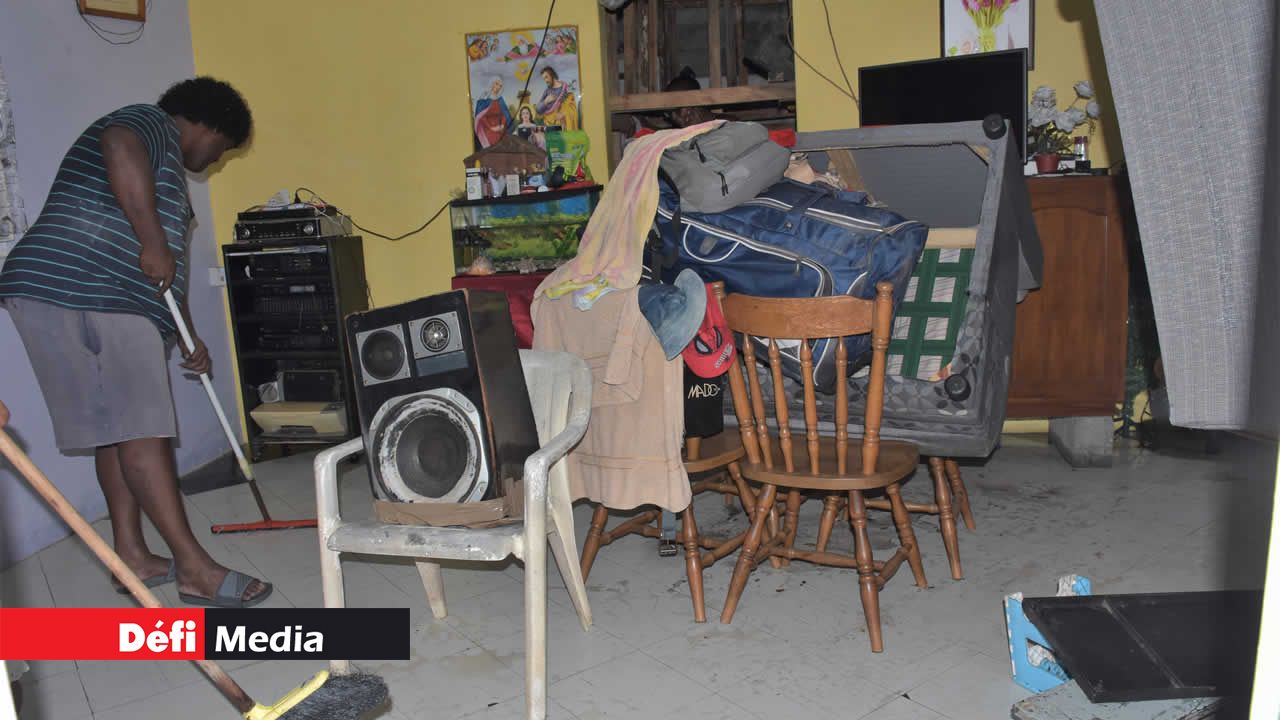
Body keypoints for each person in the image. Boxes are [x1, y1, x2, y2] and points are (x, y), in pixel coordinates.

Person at [0, 77, 272, 608]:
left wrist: (187, 333)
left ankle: (131, 556)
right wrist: (151, 239)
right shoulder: (152, 126)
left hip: (49, 290)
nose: (217, 161)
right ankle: (194, 568)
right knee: (144, 428)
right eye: (222, 149)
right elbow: (119, 146)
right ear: (209, 125)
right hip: (91, 287)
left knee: (114, 430)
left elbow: (166, 273)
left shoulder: (165, 181)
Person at [473, 76, 512, 149]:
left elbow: (504, 115)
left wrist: (502, 125)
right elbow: (481, 116)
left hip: (500, 129)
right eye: (496, 84)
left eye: (500, 86)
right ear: (492, 83)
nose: (498, 87)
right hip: (487, 130)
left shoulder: (500, 99)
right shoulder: (484, 97)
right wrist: (491, 128)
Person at [535, 67, 578, 131]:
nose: (545, 80)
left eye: (546, 77)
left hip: (564, 125)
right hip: (550, 126)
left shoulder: (566, 89)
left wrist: (564, 114)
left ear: (552, 75)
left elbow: (572, 106)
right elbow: (538, 109)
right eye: (544, 78)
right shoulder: (547, 91)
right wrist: (546, 101)